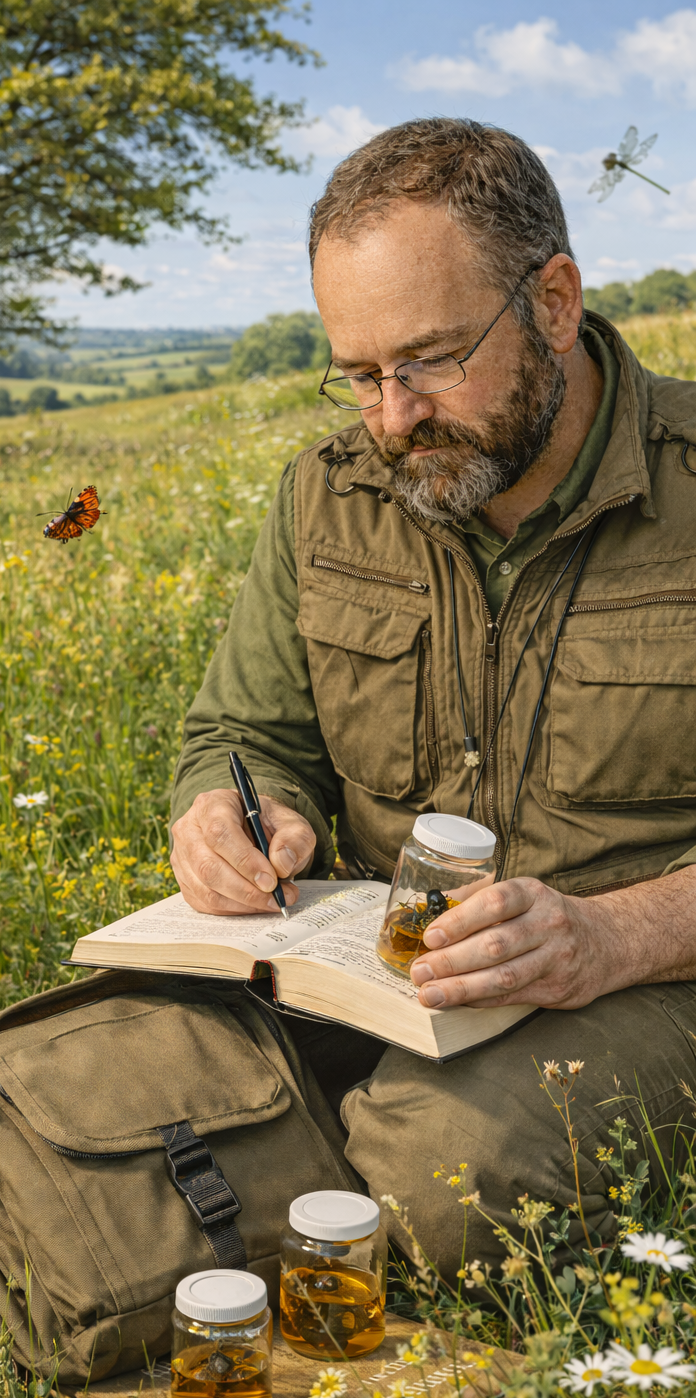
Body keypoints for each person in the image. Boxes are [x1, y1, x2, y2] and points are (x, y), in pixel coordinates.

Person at [169, 118, 696, 1279]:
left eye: (430, 361)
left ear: (553, 301)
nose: (393, 417)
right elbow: (242, 735)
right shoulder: (328, 496)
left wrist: (612, 935)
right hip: (373, 971)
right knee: (114, 1071)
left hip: (650, 981)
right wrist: (224, 813)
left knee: (439, 1178)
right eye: (359, 374)